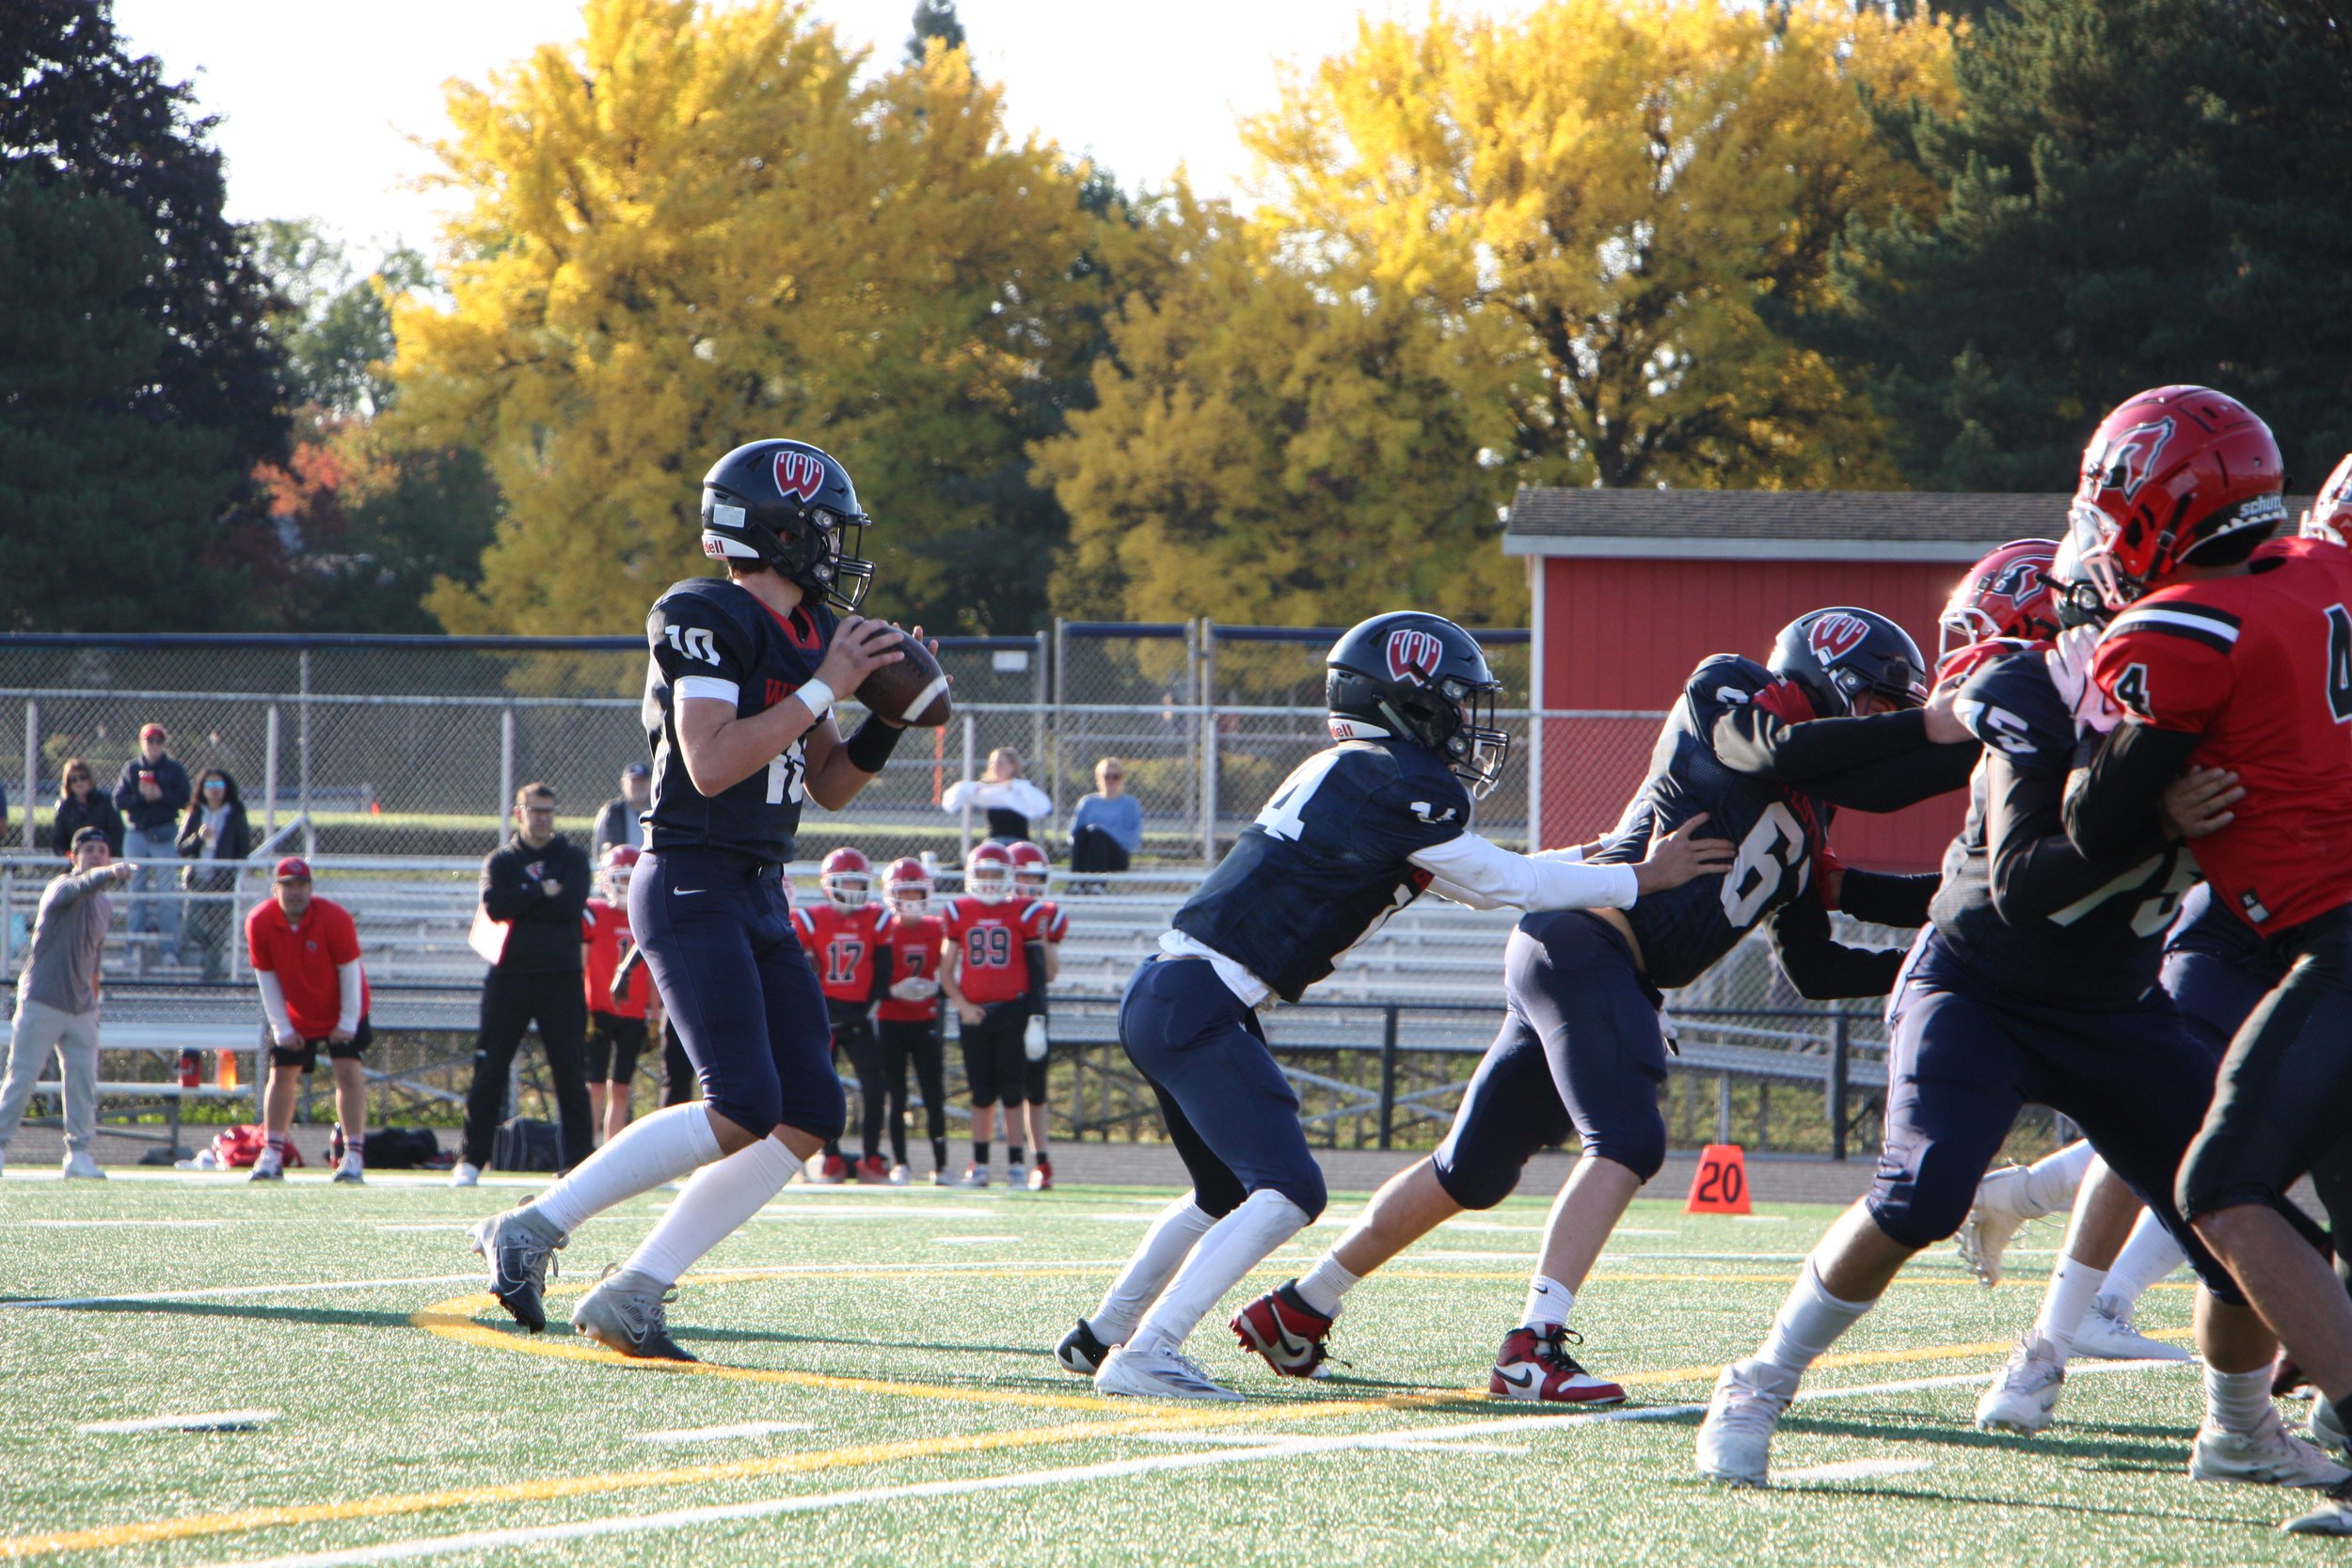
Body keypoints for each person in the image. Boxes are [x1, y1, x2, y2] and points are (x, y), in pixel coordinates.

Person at [1695, 516, 2339, 1495]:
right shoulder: (2033, 687)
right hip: (1978, 981)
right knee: (1922, 1194)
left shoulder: (2235, 688)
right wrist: (2148, 810)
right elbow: (2023, 880)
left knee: (2243, 1222)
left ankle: (2239, 1428)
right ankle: (1757, 1379)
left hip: (2115, 1000)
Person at [1209, 603, 1970, 1400]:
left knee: (1471, 1168)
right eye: (1882, 704)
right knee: (1628, 1136)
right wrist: (1947, 731)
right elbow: (1783, 747)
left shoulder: (1811, 808)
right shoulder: (1732, 691)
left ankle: (1299, 1306)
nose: (1887, 722)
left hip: (1591, 960)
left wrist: (1964, 922)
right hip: (1588, 940)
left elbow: (1813, 963)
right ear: (1833, 676)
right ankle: (1530, 1348)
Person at [1070, 610, 1732, 1402]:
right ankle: (1149, 1350)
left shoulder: (1353, 771)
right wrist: (1638, 879)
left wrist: (1595, 855)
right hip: (1203, 1000)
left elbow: (1476, 875)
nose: (1464, 722)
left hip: (1170, 990)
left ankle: (1103, 1332)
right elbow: (1503, 884)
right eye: (1454, 702)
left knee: (1223, 1193)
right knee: (1291, 1190)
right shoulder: (1400, 783)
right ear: (1408, 703)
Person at [466, 436, 914, 1359]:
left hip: (757, 884)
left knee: (808, 1111)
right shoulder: (702, 609)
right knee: (742, 1098)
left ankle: (637, 1287)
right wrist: (829, 684)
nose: (836, 551)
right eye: (823, 531)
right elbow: (711, 763)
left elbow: (825, 783)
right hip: (693, 874)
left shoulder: (805, 634)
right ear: (780, 531)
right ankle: (535, 1224)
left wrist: (886, 716)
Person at [2058, 389, 2352, 1535]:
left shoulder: (2181, 627)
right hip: (2316, 930)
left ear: (2161, 505)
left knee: (2217, 1185)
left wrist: (2138, 772)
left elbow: (2091, 823)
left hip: (2335, 931)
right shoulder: (2321, 570)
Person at [452, 783, 596, 1185]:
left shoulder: (571, 859)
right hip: (510, 978)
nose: (543, 818)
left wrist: (526, 900)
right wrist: (539, 892)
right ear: (520, 813)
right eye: (536, 810)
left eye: (549, 811)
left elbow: (571, 905)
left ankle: (581, 1165)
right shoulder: (502, 860)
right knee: (490, 1068)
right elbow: (495, 905)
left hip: (561, 978)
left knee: (569, 1073)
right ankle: (470, 1159)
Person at [0, 828, 134, 1179]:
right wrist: (110, 873)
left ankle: (78, 1154)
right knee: (22, 1077)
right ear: (73, 857)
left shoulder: (104, 905)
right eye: (88, 850)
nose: (96, 855)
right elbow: (82, 885)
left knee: (82, 1082)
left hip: (81, 1008)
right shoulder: (61, 887)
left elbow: (94, 960)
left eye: (103, 850)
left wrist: (95, 1002)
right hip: (43, 999)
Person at [245, 858, 371, 1183]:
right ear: (276, 889)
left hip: (342, 1005)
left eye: (300, 885)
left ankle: (353, 1154)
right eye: (287, 885)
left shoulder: (334, 918)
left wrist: (346, 1022)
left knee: (347, 1070)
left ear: (311, 888)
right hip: (296, 1010)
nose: (295, 892)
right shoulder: (259, 921)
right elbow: (266, 976)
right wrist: (282, 1027)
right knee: (282, 1072)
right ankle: (272, 1152)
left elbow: (350, 971)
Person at [939, 841, 1051, 1189]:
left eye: (995, 873)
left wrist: (1036, 1016)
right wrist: (962, 1005)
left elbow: (1036, 972)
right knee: (981, 1092)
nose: (988, 880)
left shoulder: (1026, 911)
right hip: (975, 1014)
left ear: (1009, 876)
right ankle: (981, 1163)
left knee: (1013, 1090)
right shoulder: (958, 911)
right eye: (983, 873)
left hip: (1013, 1010)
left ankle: (1017, 1164)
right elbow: (945, 970)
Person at [795, 847, 893, 1183]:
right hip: (823, 1017)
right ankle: (830, 1157)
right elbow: (801, 972)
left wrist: (865, 1011)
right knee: (823, 1091)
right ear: (828, 885)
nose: (851, 890)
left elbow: (883, 972)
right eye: (844, 883)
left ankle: (871, 1157)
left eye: (857, 883)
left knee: (876, 1087)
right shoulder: (810, 919)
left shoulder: (877, 919)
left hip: (859, 1015)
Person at [876, 856, 949, 1184]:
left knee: (934, 1094)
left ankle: (942, 1165)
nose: (909, 900)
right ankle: (901, 1163)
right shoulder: (882, 928)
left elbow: (951, 970)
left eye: (915, 893)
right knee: (897, 1095)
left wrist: (938, 986)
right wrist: (893, 991)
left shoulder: (937, 928)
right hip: (890, 1019)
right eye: (903, 893)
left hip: (925, 1019)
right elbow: (872, 979)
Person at [582, 845, 658, 1146]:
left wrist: (654, 1013)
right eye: (620, 878)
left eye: (631, 879)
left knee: (621, 1087)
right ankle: (584, 1149)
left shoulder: (645, 917)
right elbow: (582, 964)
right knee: (595, 1085)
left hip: (634, 1013)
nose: (625, 885)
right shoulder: (595, 913)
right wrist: (580, 1006)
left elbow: (652, 972)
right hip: (598, 1009)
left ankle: (611, 1150)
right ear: (606, 879)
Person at [1008, 840, 1068, 1191]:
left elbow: (1050, 972)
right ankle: (1011, 1163)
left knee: (1036, 1090)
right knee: (1005, 1089)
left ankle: (1041, 1162)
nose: (1030, 886)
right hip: (1002, 1009)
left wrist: (1039, 934)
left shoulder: (1048, 914)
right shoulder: (997, 912)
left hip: (1035, 1011)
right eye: (1023, 877)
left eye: (1035, 878)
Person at [111, 722, 190, 953]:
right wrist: (142, 797)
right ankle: (132, 948)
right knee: (136, 894)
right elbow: (119, 801)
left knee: (167, 895)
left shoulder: (174, 769)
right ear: (141, 742)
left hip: (164, 834)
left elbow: (185, 799)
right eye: (149, 740)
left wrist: (161, 795)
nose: (154, 745)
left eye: (158, 740)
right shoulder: (132, 768)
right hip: (137, 834)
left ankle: (169, 951)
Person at [175, 768, 250, 982]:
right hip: (197, 880)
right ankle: (211, 958)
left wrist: (231, 873)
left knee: (218, 933)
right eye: (210, 785)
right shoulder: (196, 812)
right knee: (192, 927)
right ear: (203, 789)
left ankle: (211, 978)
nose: (214, 790)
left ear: (226, 788)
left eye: (219, 785)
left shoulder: (235, 813)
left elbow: (243, 849)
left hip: (222, 882)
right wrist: (198, 838)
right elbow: (181, 847)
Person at [943, 748, 1052, 843]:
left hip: (1018, 841)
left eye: (1000, 763)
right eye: (992, 763)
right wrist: (972, 788)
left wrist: (1013, 787)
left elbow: (1044, 807)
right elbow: (950, 804)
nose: (995, 767)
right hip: (994, 841)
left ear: (1013, 766)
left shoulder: (1021, 788)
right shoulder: (984, 789)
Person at [1070, 757, 1142, 874]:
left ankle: (1096, 884)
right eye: (1106, 776)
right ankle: (1077, 882)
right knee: (1085, 833)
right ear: (1099, 778)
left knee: (1097, 835)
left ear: (1121, 779)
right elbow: (1074, 834)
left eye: (1115, 776)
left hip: (1116, 857)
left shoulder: (1130, 804)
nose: (1111, 780)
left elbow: (1133, 840)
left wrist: (1103, 832)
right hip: (1088, 856)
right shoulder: (1087, 802)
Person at [49, 757, 123, 857]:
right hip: (75, 860)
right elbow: (58, 841)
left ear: (90, 779)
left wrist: (104, 853)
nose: (79, 782)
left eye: (83, 777)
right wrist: (70, 855)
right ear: (68, 784)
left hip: (103, 857)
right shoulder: (64, 807)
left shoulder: (106, 801)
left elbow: (117, 834)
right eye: (73, 780)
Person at [593, 763, 651, 855]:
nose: (639, 786)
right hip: (620, 866)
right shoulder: (612, 812)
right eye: (634, 781)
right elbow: (599, 846)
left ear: (650, 783)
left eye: (642, 781)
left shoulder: (657, 811)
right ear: (623, 784)